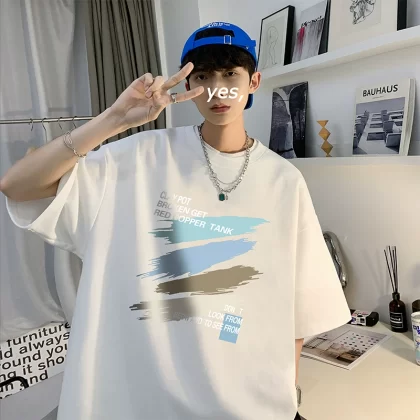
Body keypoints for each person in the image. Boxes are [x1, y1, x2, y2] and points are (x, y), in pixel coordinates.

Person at [0, 22, 350, 420]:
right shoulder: (139, 158)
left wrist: (285, 396)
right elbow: (18, 186)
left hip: (246, 402)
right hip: (148, 398)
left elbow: (296, 311)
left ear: (253, 81)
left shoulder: (284, 181)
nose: (217, 89)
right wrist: (114, 119)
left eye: (230, 74)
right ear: (188, 85)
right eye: (204, 77)